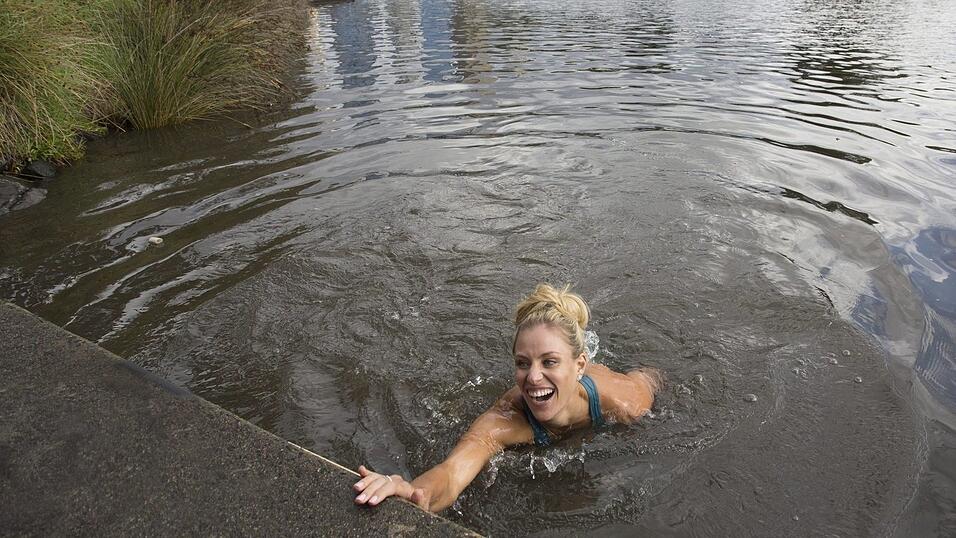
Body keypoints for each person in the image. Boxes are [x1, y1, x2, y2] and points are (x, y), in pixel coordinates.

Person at [352, 283, 661, 512]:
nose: (533, 377)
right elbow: (452, 473)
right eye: (523, 363)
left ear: (580, 365)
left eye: (549, 362)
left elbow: (654, 378)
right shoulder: (503, 421)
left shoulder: (623, 401)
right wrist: (412, 490)